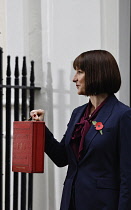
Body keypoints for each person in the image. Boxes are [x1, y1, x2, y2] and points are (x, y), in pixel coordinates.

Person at [30, 50, 131, 210]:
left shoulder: (123, 115)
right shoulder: (78, 113)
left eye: (80, 72)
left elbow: (128, 176)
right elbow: (62, 157)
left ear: (97, 73)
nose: (74, 78)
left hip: (103, 204)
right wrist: (41, 128)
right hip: (71, 201)